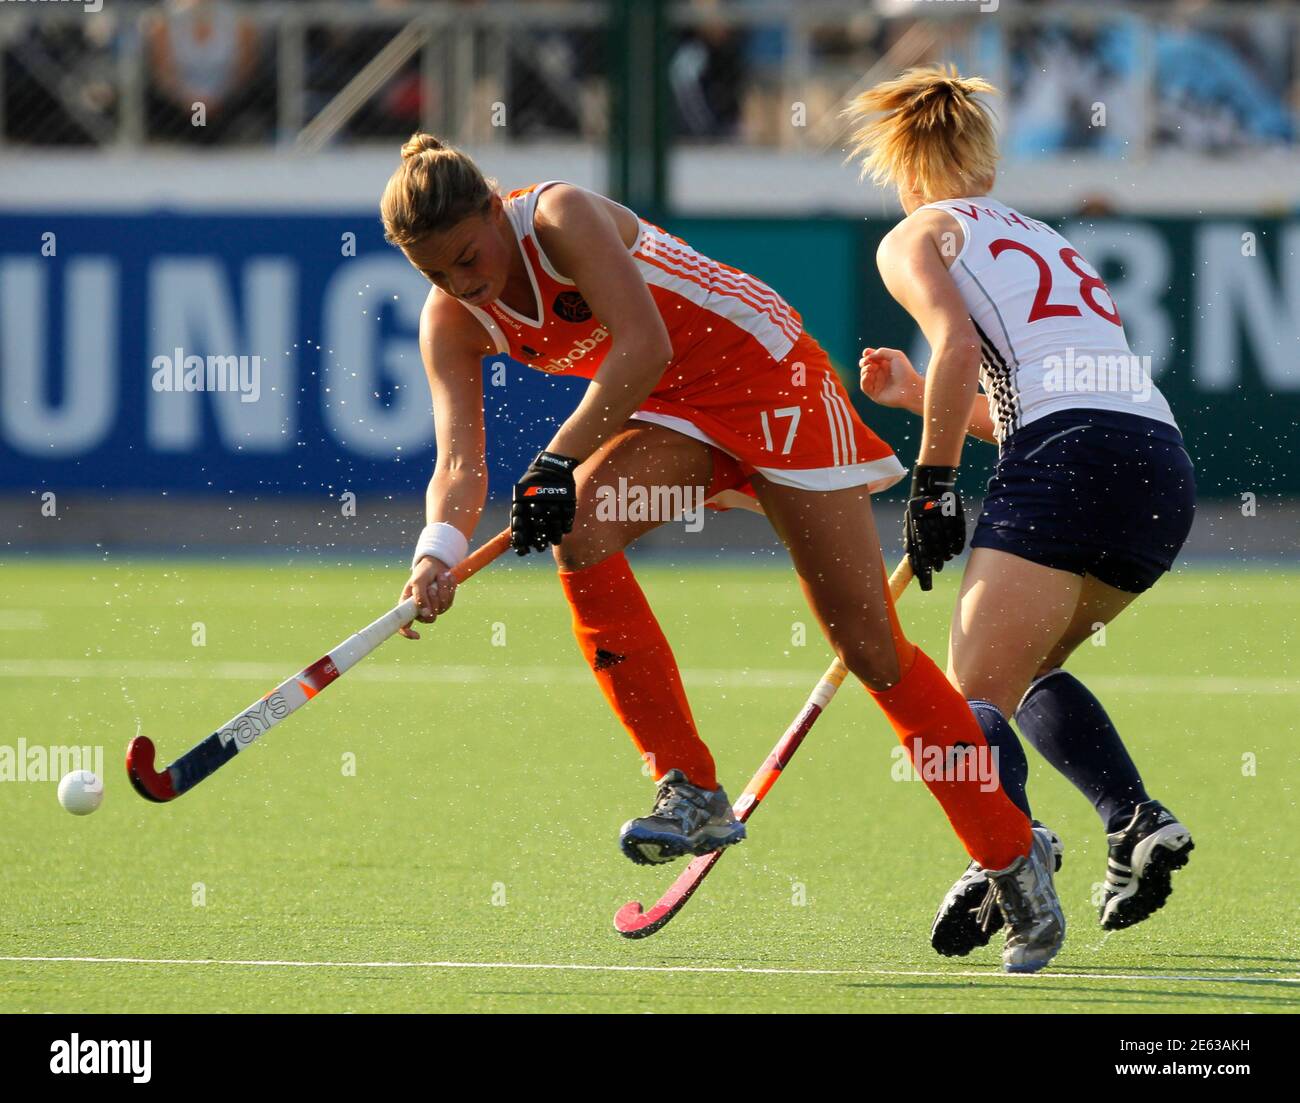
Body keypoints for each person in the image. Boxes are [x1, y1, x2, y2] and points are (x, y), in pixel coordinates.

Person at [380, 132, 1064, 972]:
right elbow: (458, 462)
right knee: (582, 524)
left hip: (772, 379)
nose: (460, 282)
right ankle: (691, 788)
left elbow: (643, 343)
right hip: (677, 414)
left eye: (464, 257)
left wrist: (556, 459)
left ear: (493, 207)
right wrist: (434, 552)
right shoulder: (451, 318)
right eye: (435, 273)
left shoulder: (558, 216)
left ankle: (1009, 850)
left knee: (871, 650)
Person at [846, 66, 1196, 959]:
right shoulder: (1047, 239)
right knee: (1030, 667)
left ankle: (1011, 856)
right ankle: (1133, 820)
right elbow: (1021, 396)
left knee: (971, 707)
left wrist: (932, 483)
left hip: (1068, 457)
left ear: (902, 171)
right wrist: (920, 396)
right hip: (1159, 468)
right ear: (986, 166)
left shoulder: (915, 232)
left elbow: (964, 342)